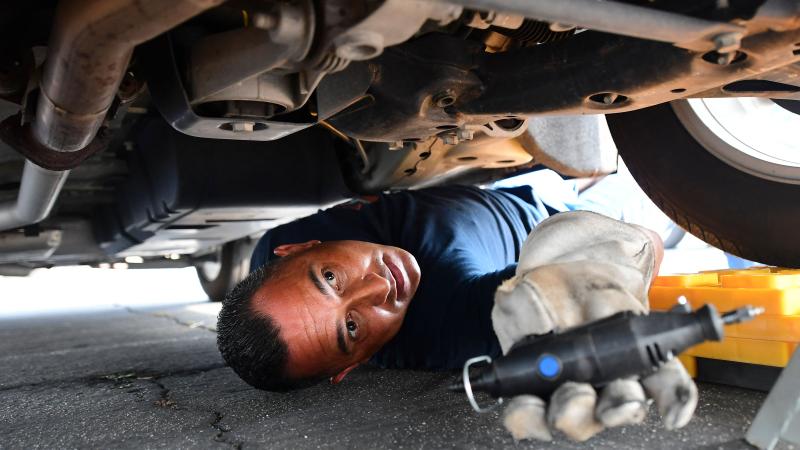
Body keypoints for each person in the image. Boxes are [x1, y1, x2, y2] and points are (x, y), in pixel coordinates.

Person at [216, 184, 697, 442]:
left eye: (331, 279)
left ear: (297, 248)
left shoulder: (269, 254)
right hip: (551, 204)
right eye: (352, 326)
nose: (379, 286)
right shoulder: (455, 330)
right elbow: (640, 243)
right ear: (351, 366)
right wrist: (604, 268)